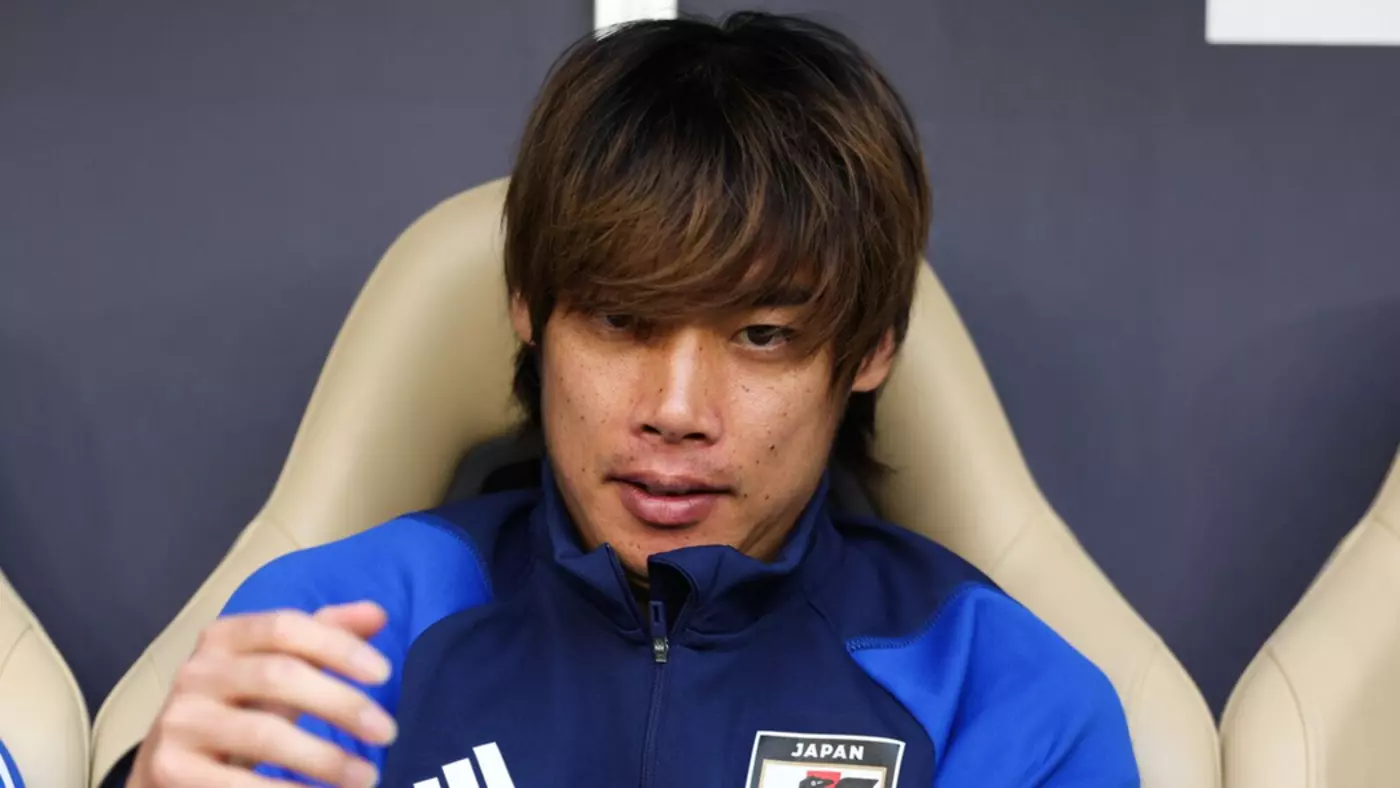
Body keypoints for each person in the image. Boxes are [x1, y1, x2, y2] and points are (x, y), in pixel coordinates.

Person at [126, 11, 1138, 788]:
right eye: (621, 320)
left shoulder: (1002, 695)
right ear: (529, 310)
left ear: (869, 349)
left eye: (761, 336)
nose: (676, 408)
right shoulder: (336, 631)